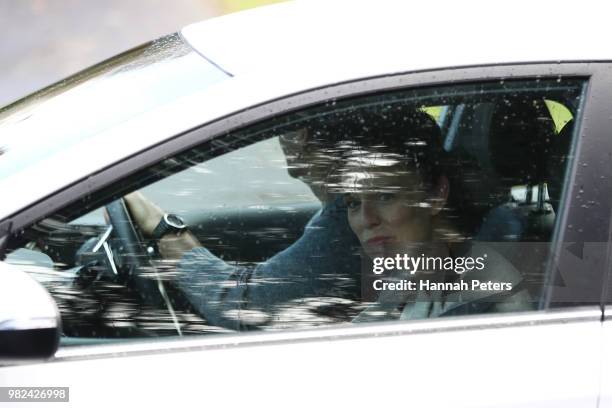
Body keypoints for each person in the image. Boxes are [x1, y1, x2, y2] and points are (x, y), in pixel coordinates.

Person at [124, 126, 361, 330]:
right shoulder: (346, 210)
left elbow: (244, 306)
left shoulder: (349, 221)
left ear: (301, 139)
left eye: (285, 130)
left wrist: (162, 229)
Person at [320, 108, 534, 322]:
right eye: (353, 203)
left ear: (436, 195)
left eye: (385, 196)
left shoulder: (483, 305)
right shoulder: (414, 269)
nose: (366, 220)